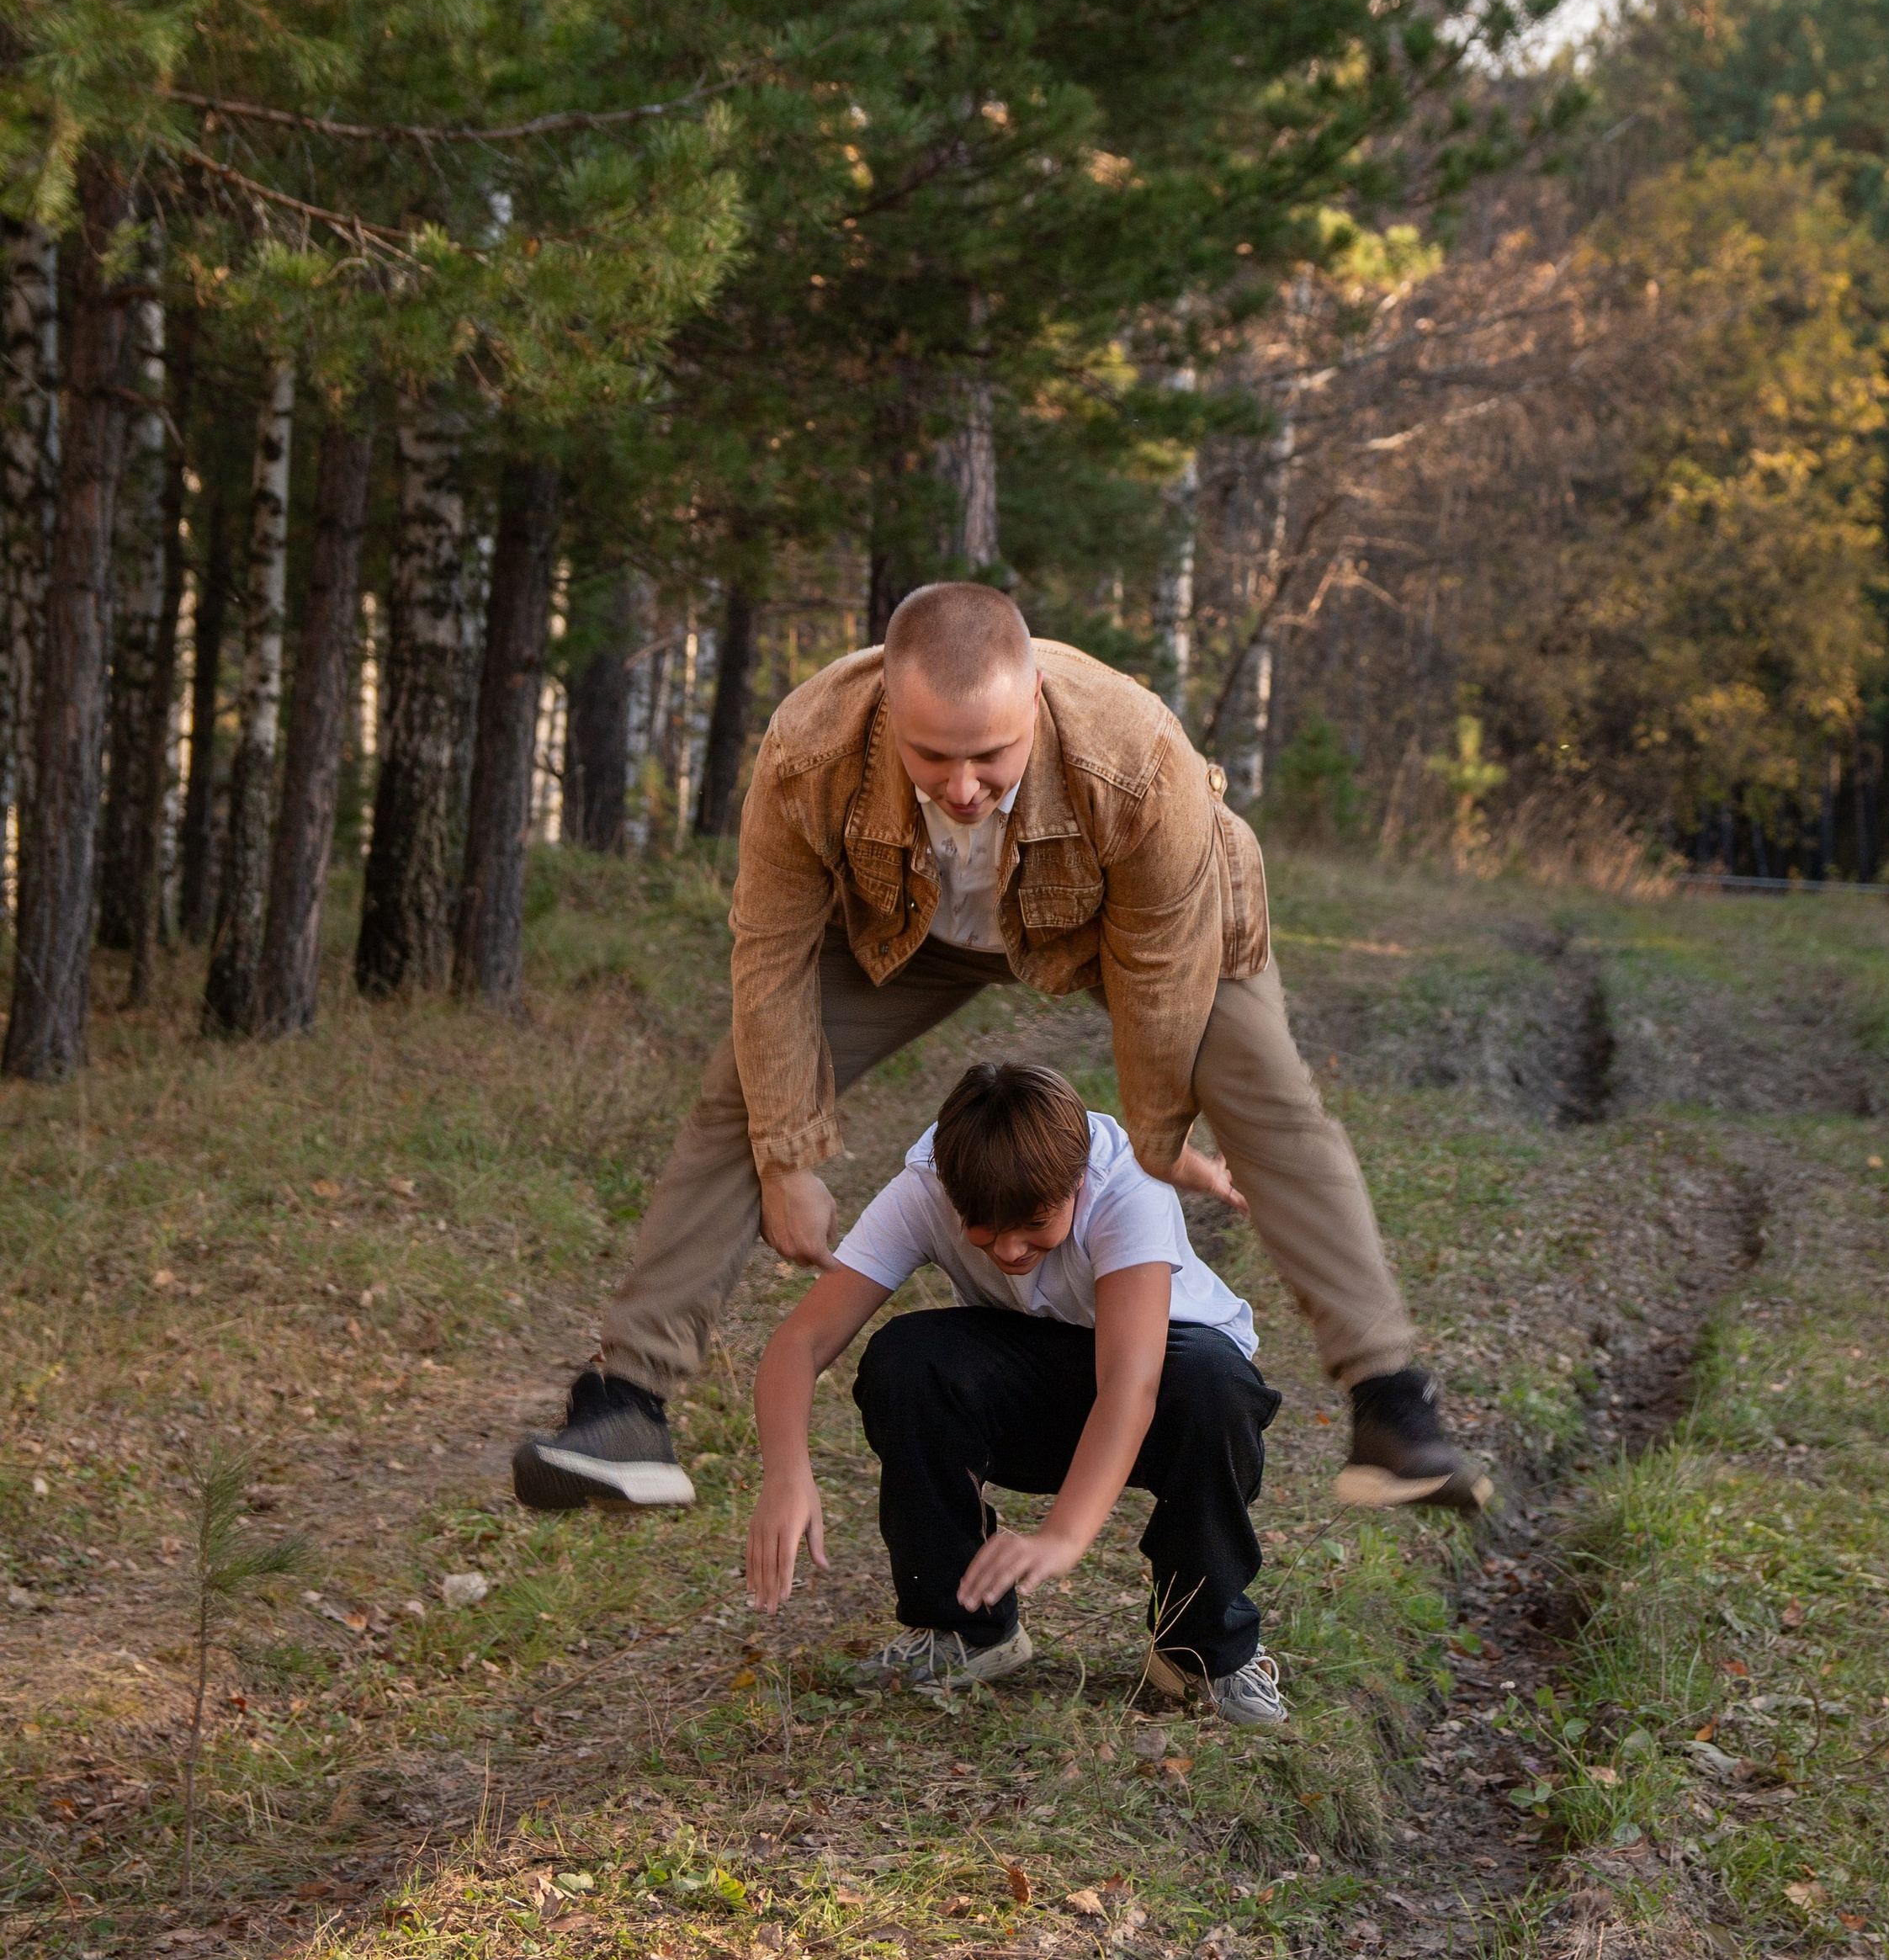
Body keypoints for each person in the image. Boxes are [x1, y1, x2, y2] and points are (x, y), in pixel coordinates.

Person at [514, 582, 1490, 1518]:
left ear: (1037, 697)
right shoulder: (809, 748)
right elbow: (769, 958)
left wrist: (1159, 1143)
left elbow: (1158, 983)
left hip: (1127, 922)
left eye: (991, 754)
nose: (964, 786)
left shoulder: (1139, 757)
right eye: (933, 757)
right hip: (912, 923)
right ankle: (626, 1407)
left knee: (1271, 1103)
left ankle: (1391, 1405)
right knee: (744, 1091)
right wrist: (788, 1156)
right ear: (887, 705)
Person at [745, 1059, 1288, 1726]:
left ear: (1077, 1181)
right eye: (982, 1226)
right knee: (907, 1358)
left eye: (1034, 1221)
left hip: (1165, 1397)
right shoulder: (926, 1188)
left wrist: (1062, 1536)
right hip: (1041, 1390)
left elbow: (1130, 1383)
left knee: (1212, 1381)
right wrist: (785, 1474)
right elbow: (798, 1343)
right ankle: (966, 1631)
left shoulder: (1126, 1187)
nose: (1007, 1249)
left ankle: (1199, 1650)